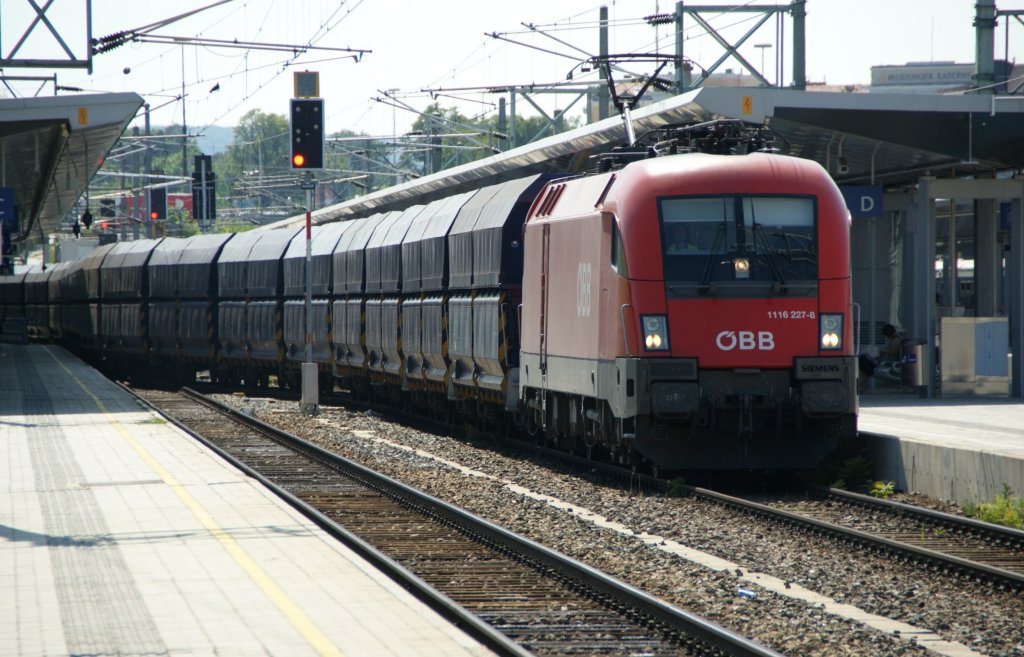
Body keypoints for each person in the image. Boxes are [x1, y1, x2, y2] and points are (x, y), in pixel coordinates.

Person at [858, 323, 902, 391]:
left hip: (886, 363)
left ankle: (863, 386)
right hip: (883, 361)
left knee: (862, 362)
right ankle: (863, 386)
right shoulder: (894, 339)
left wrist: (883, 351)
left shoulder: (896, 339)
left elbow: (894, 352)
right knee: (862, 362)